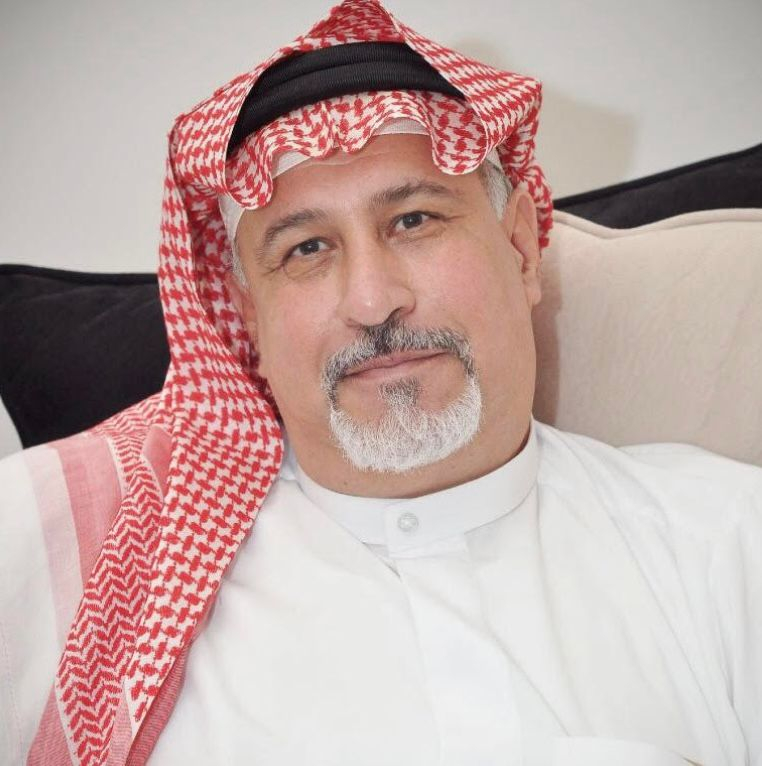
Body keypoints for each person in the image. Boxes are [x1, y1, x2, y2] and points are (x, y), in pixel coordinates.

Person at [1, 1, 760, 764]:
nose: (372, 301)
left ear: (523, 249)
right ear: (248, 316)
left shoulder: (725, 542)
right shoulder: (74, 556)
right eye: (306, 249)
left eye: (414, 221)